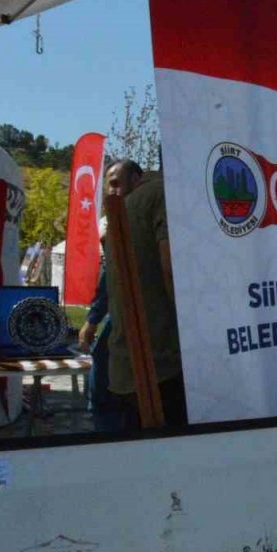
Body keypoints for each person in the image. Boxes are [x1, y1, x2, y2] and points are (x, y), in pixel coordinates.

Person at [104, 160, 188, 428]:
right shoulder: (161, 194)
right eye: (110, 185)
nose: (113, 191)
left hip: (127, 363)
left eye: (117, 183)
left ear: (136, 178)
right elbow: (170, 267)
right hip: (161, 363)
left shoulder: (123, 210)